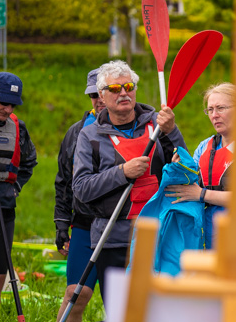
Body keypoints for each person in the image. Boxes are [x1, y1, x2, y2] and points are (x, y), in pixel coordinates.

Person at [71, 60, 184, 301]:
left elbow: (185, 171)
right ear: (102, 95)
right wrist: (122, 172)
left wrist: (172, 130)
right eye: (114, 89)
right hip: (113, 237)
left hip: (157, 233)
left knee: (157, 310)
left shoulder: (159, 123)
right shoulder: (89, 135)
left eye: (129, 86)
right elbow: (81, 188)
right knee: (121, 315)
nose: (123, 93)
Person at [165, 83, 236, 251]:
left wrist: (202, 194)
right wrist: (180, 168)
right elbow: (191, 183)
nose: (214, 115)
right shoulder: (205, 146)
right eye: (210, 110)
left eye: (221, 108)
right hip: (210, 243)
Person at [0, 72, 37, 322]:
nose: (8, 109)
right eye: (3, 102)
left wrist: (14, 187)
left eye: (13, 105)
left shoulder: (18, 127)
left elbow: (30, 160)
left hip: (2, 214)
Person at [54, 69, 107, 322]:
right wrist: (62, 223)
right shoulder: (76, 132)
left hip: (122, 225)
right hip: (85, 224)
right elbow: (64, 180)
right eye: (93, 95)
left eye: (103, 93)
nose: (98, 100)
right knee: (76, 293)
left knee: (121, 298)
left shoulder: (137, 129)